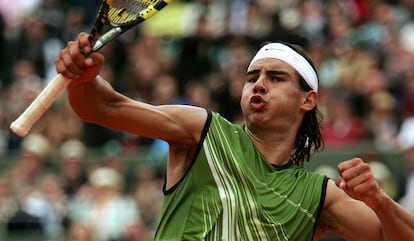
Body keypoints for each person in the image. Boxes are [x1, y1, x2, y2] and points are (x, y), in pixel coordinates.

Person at [55, 32, 414, 241]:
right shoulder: (201, 132)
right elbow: (103, 107)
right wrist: (84, 78)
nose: (258, 85)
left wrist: (378, 200)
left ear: (308, 99)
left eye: (276, 78)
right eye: (251, 77)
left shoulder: (319, 196)